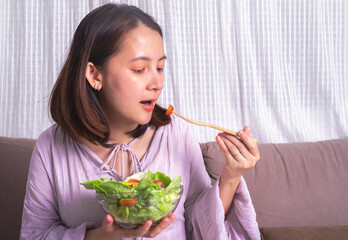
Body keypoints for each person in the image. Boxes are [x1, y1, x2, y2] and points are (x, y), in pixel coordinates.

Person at [20, 3, 261, 240]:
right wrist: (103, 235)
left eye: (160, 67)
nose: (156, 83)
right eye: (139, 69)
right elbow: (35, 235)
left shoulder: (176, 132)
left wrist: (231, 175)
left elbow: (199, 226)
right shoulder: (51, 146)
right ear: (94, 75)